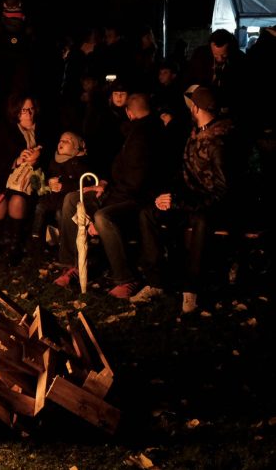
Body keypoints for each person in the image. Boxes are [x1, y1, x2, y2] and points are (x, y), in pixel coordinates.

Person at [135, 86, 237, 312]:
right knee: (147, 213)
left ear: (197, 108)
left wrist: (180, 202)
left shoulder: (218, 144)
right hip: (190, 200)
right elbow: (185, 175)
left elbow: (222, 192)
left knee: (201, 221)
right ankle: (156, 281)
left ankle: (191, 289)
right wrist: (167, 196)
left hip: (211, 206)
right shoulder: (194, 135)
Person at [53, 93, 161, 299]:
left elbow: (135, 184)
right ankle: (73, 264)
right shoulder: (135, 132)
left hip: (138, 199)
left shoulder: (144, 136)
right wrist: (103, 184)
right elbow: (121, 171)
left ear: (129, 112)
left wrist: (103, 204)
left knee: (103, 217)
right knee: (72, 200)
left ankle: (125, 278)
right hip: (118, 191)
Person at [0, 93, 49, 265]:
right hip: (7, 178)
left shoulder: (43, 129)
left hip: (33, 181)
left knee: (17, 201)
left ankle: (15, 246)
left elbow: (51, 156)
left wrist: (38, 156)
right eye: (23, 110)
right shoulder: (7, 130)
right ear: (16, 112)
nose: (27, 113)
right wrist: (17, 159)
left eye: (30, 109)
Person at [29, 132, 90, 254]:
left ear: (75, 147)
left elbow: (84, 183)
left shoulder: (78, 163)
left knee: (60, 214)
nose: (61, 143)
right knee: (40, 207)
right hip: (52, 196)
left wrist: (64, 186)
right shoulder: (54, 161)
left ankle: (65, 242)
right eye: (61, 140)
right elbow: (46, 176)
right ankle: (36, 237)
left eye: (67, 141)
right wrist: (49, 182)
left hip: (66, 198)